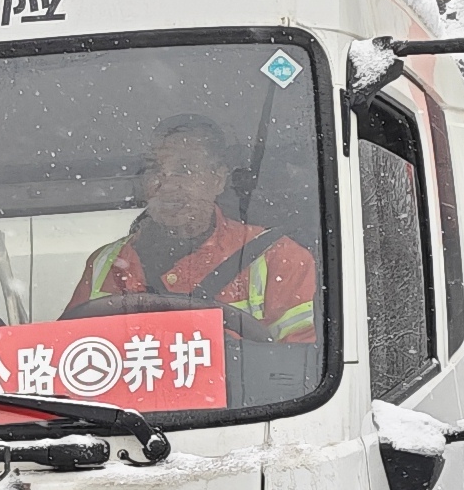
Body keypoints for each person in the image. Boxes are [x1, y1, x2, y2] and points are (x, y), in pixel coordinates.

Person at [65, 117, 320, 342]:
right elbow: (66, 354)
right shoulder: (105, 262)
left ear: (218, 179)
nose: (166, 184)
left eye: (184, 170)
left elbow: (303, 366)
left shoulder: (280, 258)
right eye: (154, 170)